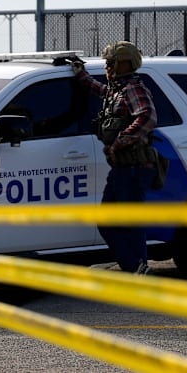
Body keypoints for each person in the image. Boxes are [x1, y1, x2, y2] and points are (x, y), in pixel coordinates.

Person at [70, 41, 157, 275]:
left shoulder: (132, 88)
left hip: (134, 167)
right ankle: (136, 267)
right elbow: (100, 90)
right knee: (112, 222)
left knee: (125, 222)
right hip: (122, 168)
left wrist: (120, 140)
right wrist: (80, 73)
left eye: (111, 63)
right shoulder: (118, 88)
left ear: (124, 63)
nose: (107, 67)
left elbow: (148, 116)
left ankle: (136, 268)